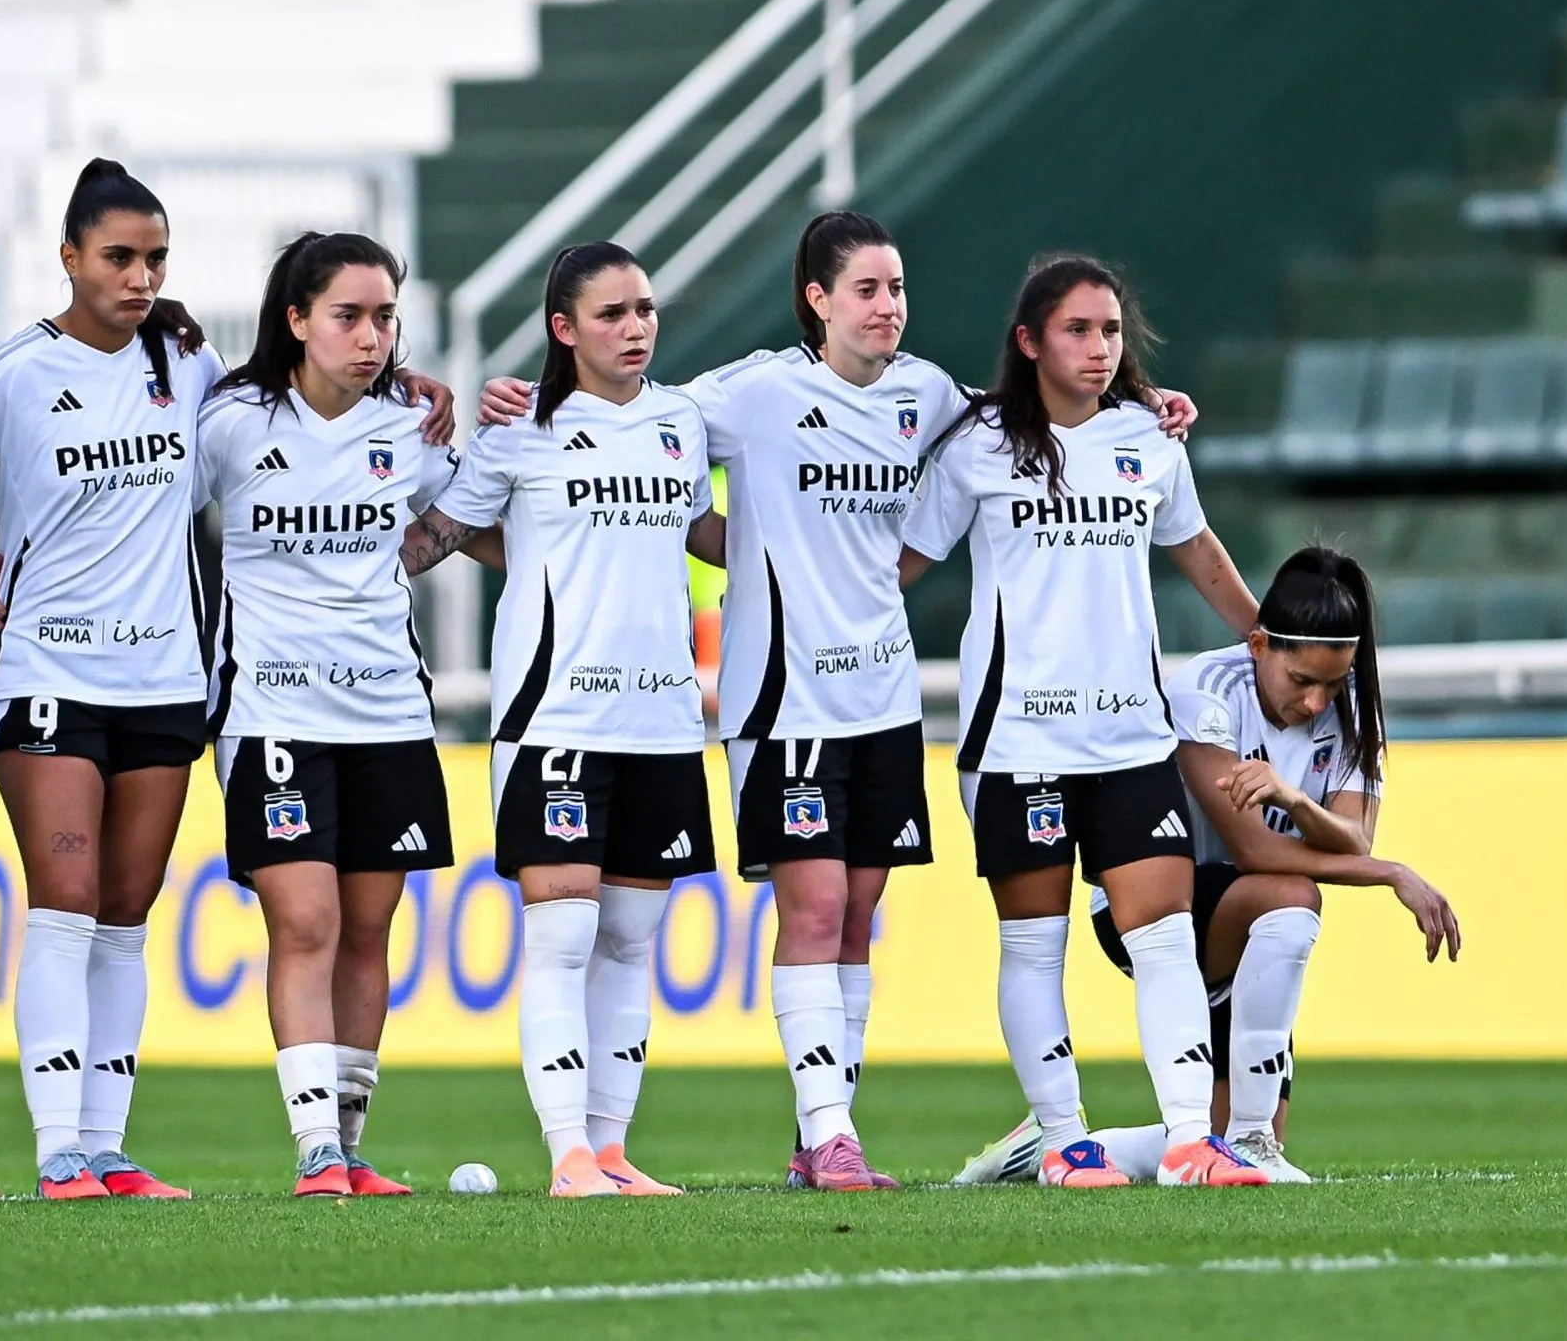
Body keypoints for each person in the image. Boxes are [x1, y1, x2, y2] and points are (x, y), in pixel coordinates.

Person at [476, 213, 1200, 1190]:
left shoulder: (930, 396)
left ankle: (826, 1132)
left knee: (857, 912)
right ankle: (823, 1131)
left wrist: (1147, 400)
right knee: (812, 906)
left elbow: (1041, 406)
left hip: (884, 697)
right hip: (782, 699)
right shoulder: (748, 395)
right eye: (865, 289)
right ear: (815, 300)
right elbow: (630, 423)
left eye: (896, 288)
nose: (887, 306)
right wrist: (526, 403)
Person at [0, 163, 459, 1201]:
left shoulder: (189, 370)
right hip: (56, 668)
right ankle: (60, 1148)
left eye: (155, 259)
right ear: (68, 257)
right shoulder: (10, 375)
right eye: (118, 257)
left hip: (163, 680)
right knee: (65, 900)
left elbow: (392, 485)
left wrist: (424, 402)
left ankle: (108, 1146)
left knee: (128, 908)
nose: (141, 277)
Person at [899, 252, 1270, 1188]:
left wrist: (1265, 637)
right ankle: (1064, 1140)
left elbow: (1196, 547)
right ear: (1029, 342)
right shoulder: (976, 444)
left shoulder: (1149, 437)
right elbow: (897, 564)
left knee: (1164, 936)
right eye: (1078, 330)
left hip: (1132, 739)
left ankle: (1192, 1137)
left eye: (1111, 331)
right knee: (1035, 941)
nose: (1100, 349)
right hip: (1017, 741)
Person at [956, 545, 1460, 1186]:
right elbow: (1253, 851)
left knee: (1211, 1137)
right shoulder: (1207, 691)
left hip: (1250, 922)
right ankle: (1253, 1140)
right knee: (1295, 897)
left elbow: (1354, 839)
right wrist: (1394, 874)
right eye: (1301, 680)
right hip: (1161, 907)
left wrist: (1296, 799)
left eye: (1332, 683)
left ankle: (1048, 1153)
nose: (1315, 702)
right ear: (1258, 645)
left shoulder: (1355, 710)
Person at [402, 242, 721, 1199]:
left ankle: (613, 1150)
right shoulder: (519, 430)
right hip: (558, 721)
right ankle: (566, 1155)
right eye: (614, 313)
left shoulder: (682, 424)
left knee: (631, 940)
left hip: (664, 721)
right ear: (563, 328)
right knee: (564, 936)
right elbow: (438, 535)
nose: (636, 328)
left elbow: (697, 532)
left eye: (646, 310)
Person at [195, 232, 487, 1195]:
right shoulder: (232, 423)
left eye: (385, 318)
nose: (371, 337)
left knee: (369, 926)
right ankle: (314, 1147)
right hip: (272, 713)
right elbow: (145, 513)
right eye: (348, 316)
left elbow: (461, 527)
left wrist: (419, 548)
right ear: (296, 320)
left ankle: (351, 1149)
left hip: (390, 713)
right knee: (308, 921)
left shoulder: (410, 426)